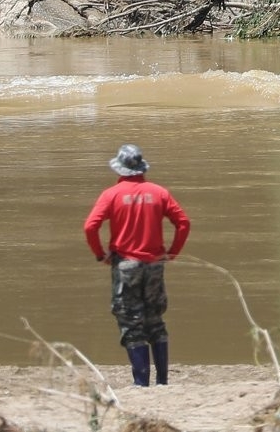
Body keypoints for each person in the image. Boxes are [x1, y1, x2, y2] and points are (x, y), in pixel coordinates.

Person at [84, 144, 190, 387]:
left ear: (120, 169)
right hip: (154, 264)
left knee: (131, 322)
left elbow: (91, 226)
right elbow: (183, 222)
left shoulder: (111, 194)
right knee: (155, 320)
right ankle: (162, 381)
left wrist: (101, 255)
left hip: (126, 266)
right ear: (141, 167)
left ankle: (141, 383)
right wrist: (172, 253)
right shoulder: (159, 192)